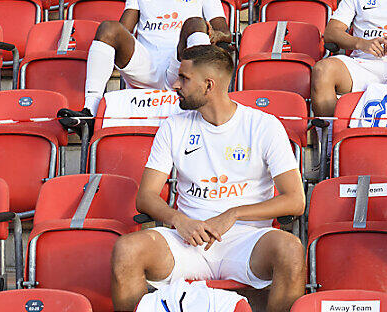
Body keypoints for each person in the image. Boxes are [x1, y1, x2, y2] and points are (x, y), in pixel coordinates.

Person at [110, 45, 306, 312]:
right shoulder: (174, 125)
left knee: (291, 250)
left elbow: (295, 201)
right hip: (188, 240)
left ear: (208, 85)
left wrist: (233, 214)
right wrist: (179, 221)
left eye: (184, 78)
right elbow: (145, 197)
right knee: (127, 250)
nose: (176, 84)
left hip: (246, 241)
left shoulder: (264, 125)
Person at [74, 0, 231, 116]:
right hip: (145, 67)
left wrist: (211, 33)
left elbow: (225, 32)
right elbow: (123, 31)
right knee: (109, 28)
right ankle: (90, 111)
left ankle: (201, 105)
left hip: (181, 65)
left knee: (195, 23)